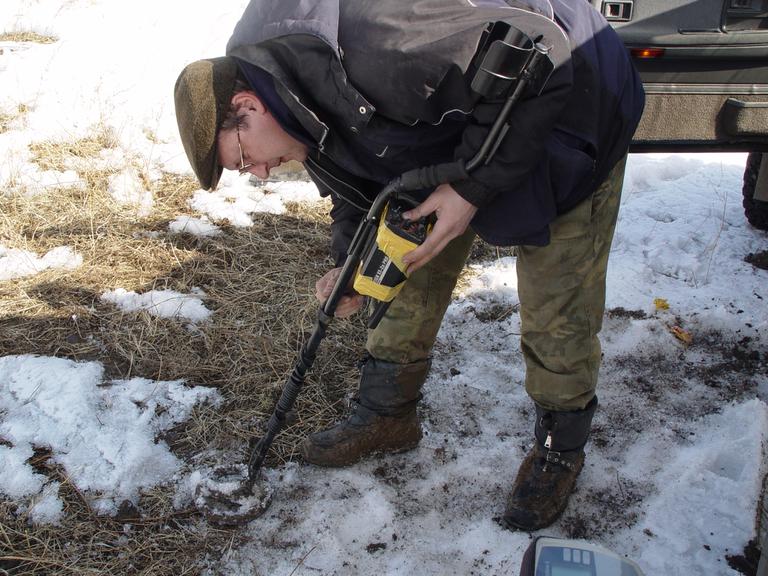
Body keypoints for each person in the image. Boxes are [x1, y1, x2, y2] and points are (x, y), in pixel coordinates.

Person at [174, 0, 645, 531]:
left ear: (247, 106)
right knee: (401, 258)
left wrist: (469, 187)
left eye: (244, 159)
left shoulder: (380, 43)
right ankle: (386, 412)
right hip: (454, 117)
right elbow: (354, 184)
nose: (259, 173)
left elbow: (538, 49)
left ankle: (560, 448)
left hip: (568, 97)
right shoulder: (286, 93)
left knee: (557, 301)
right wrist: (350, 266)